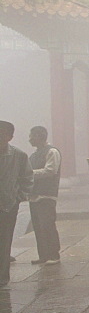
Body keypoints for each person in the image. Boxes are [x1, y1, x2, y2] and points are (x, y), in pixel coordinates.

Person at [0, 121, 33, 289]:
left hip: (7, 206)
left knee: (4, 241)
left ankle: (2, 276)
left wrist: (18, 197)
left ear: (9, 137)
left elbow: (27, 179)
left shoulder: (19, 156)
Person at [27, 126, 61, 265]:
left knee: (47, 225)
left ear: (40, 136)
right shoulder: (34, 155)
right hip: (34, 195)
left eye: (32, 136)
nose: (29, 139)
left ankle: (54, 254)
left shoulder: (52, 152)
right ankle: (43, 255)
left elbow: (51, 171)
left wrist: (30, 174)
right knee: (38, 227)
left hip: (47, 194)